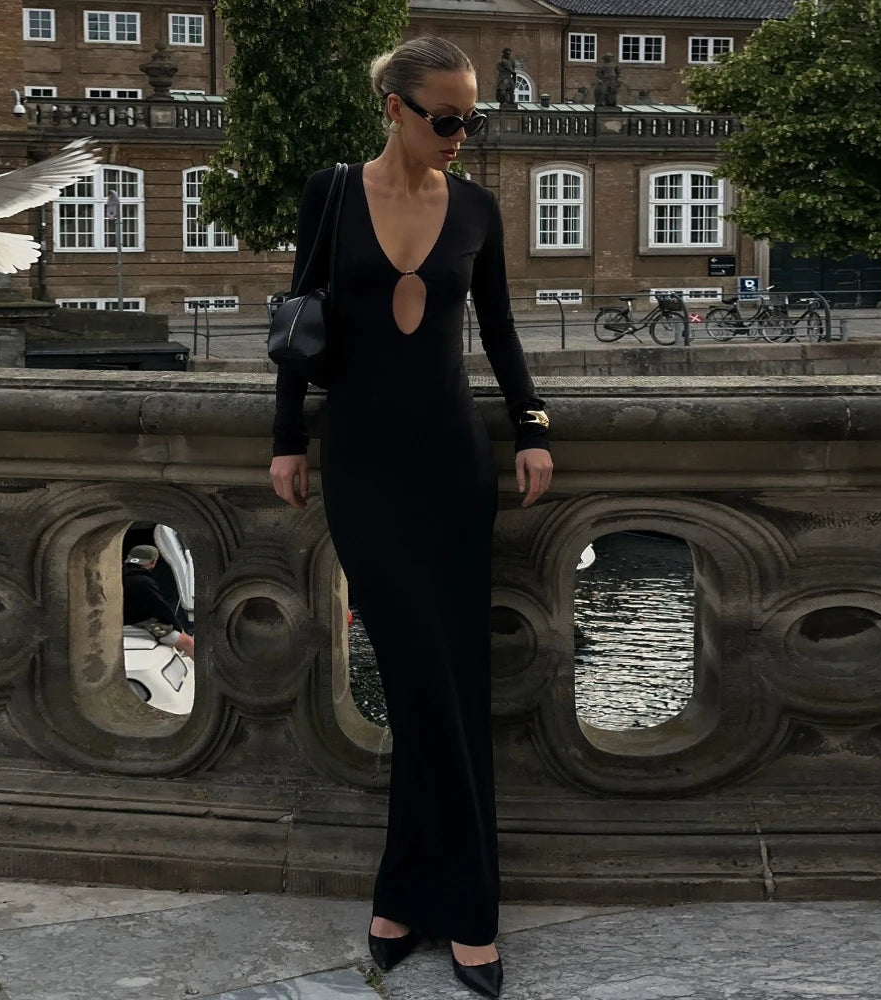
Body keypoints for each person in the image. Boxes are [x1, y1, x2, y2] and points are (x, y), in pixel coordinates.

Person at [269, 36, 553, 999]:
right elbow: (297, 318)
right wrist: (285, 441)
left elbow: (502, 328)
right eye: (446, 118)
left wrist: (531, 427)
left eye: (472, 118)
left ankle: (425, 901)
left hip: (451, 466)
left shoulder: (475, 207)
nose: (463, 135)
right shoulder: (332, 191)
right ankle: (454, 904)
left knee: (453, 684)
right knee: (418, 677)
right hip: (363, 468)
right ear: (393, 107)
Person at [121, 545, 195, 659]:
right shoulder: (143, 581)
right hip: (140, 622)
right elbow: (161, 609)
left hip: (123, 619)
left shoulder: (118, 576)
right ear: (153, 562)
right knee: (189, 643)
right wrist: (177, 627)